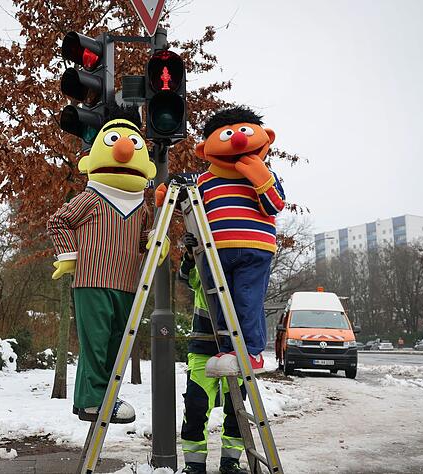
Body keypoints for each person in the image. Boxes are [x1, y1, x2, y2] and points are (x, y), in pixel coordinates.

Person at [47, 106, 168, 423]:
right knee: (96, 343)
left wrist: (158, 241)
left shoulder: (141, 206)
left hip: (128, 284)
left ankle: (98, 398)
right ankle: (92, 401)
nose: (125, 149)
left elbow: (145, 237)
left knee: (118, 344)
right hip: (93, 281)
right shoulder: (92, 197)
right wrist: (69, 255)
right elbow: (59, 222)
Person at [159, 106, 285, 377]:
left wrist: (259, 176)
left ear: (267, 137)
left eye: (244, 132)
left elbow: (274, 205)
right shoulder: (205, 181)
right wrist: (168, 195)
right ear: (205, 150)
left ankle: (251, 352)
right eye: (228, 134)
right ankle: (229, 349)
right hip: (215, 252)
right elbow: (192, 206)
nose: (238, 140)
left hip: (255, 249)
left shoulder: (267, 176)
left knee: (247, 300)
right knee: (218, 302)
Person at [178, 232, 248, 474]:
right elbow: (186, 277)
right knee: (196, 408)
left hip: (235, 349)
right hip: (203, 347)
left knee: (236, 411)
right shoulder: (206, 268)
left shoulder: (243, 274)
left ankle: (230, 462)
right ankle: (194, 465)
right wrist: (190, 255)